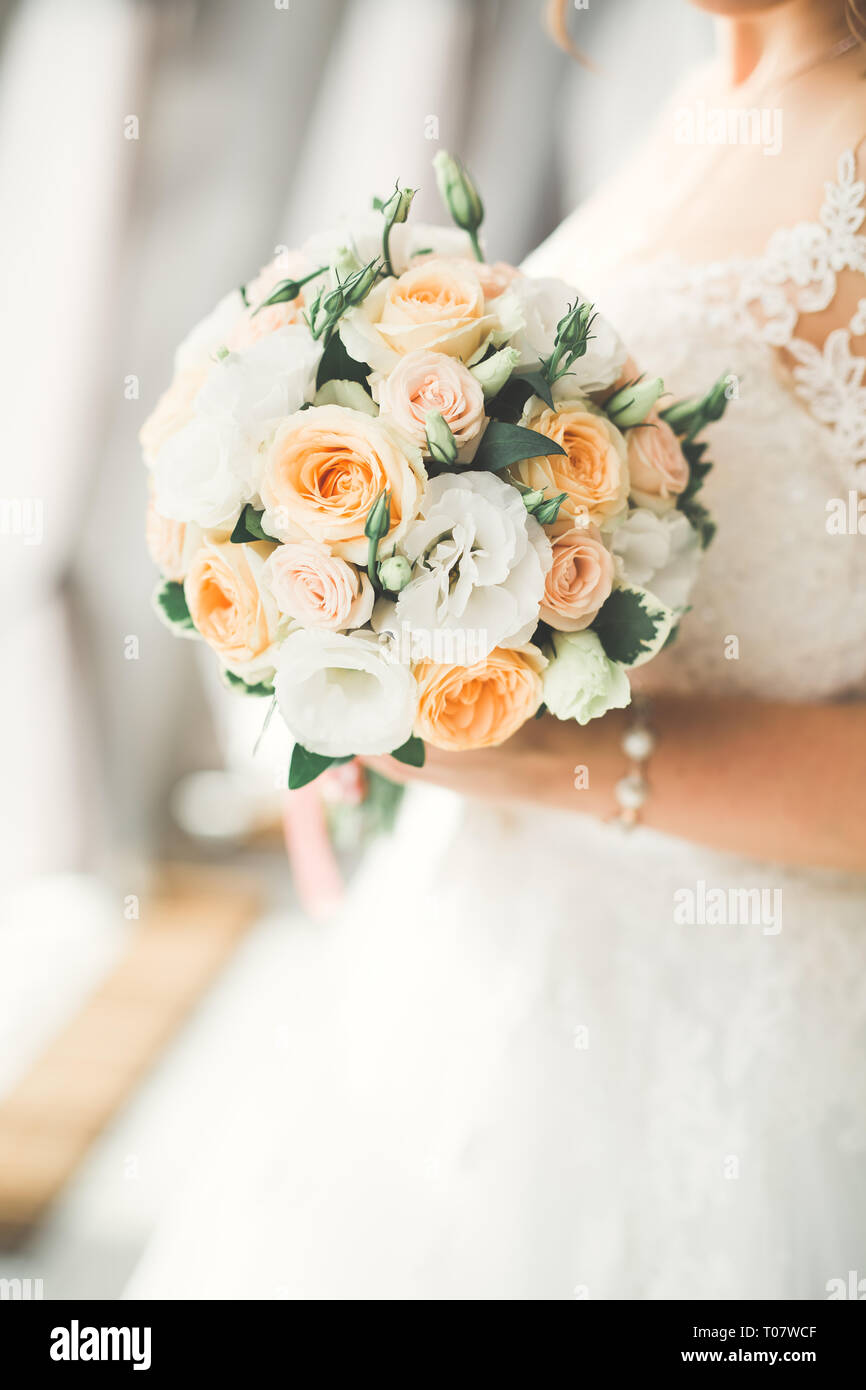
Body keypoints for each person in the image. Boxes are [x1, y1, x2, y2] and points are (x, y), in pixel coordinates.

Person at [127, 0, 866, 1299]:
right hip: (475, 966)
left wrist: (538, 762)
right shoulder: (702, 80)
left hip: (727, 1026)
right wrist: (344, 661)